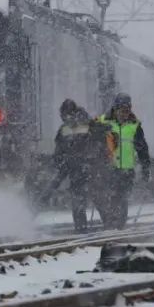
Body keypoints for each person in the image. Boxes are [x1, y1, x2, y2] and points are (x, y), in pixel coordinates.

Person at [47, 99, 111, 231]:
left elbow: (102, 143)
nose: (65, 118)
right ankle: (88, 230)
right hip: (79, 171)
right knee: (85, 202)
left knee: (93, 199)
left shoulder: (88, 125)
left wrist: (97, 161)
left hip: (90, 169)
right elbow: (59, 152)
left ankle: (107, 227)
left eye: (66, 115)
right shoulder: (67, 129)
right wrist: (60, 164)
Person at [97, 93, 151, 229]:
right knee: (109, 197)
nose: (124, 114)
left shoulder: (135, 126)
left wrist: (146, 168)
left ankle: (119, 226)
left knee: (122, 198)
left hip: (127, 170)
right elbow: (93, 137)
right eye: (122, 110)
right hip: (108, 168)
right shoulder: (103, 122)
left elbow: (143, 149)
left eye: (127, 110)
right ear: (115, 109)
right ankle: (109, 224)